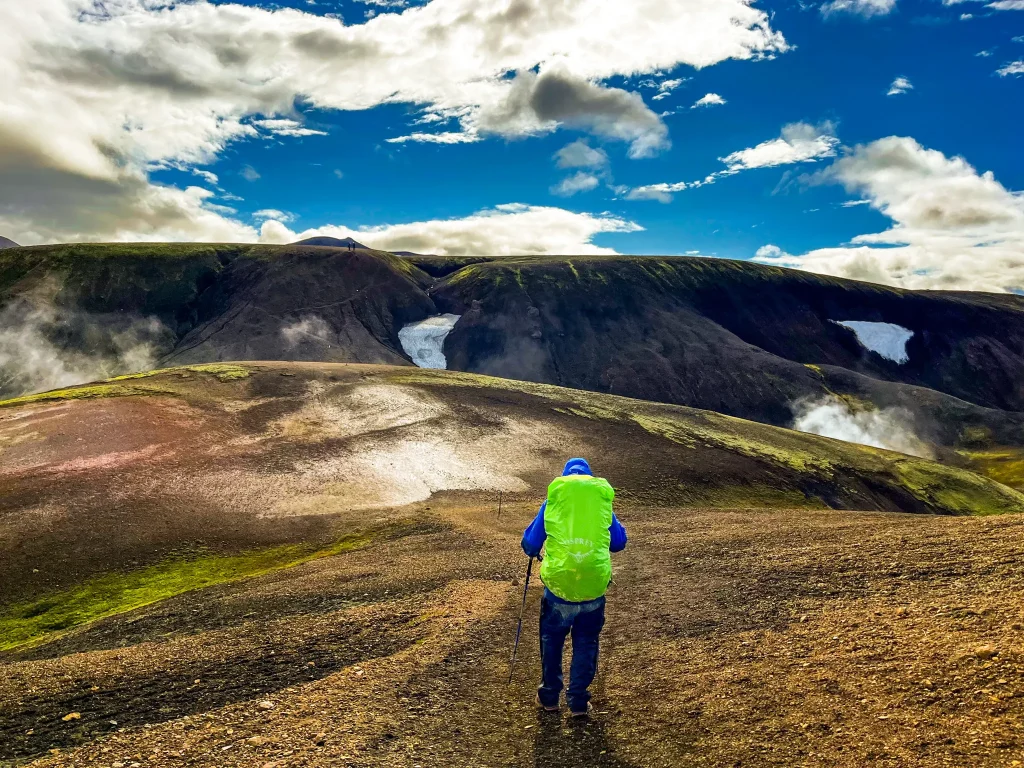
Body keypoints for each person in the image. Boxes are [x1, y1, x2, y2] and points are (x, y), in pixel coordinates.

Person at [521, 458, 627, 718]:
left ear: (565, 479)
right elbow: (619, 542)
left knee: (552, 640)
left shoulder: (553, 502)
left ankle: (549, 698)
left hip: (559, 585)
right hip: (593, 585)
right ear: (590, 479)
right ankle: (579, 702)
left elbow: (531, 544)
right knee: (586, 641)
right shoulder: (601, 504)